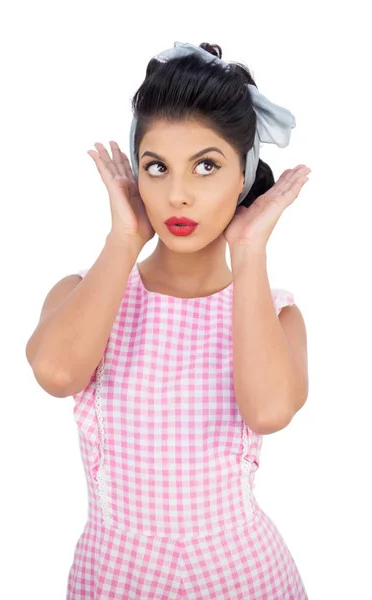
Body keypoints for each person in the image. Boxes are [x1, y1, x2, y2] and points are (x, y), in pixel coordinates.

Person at [26, 41, 310, 599]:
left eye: (207, 166)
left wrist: (250, 250)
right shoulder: (82, 295)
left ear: (244, 176)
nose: (177, 194)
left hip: (242, 575)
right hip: (113, 575)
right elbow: (57, 374)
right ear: (137, 174)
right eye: (157, 167)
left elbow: (269, 410)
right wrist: (124, 237)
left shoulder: (275, 314)